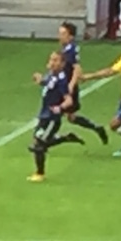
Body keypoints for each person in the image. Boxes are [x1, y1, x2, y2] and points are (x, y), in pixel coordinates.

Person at [27, 51, 86, 182]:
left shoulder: (62, 80)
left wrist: (59, 107)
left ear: (62, 64)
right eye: (51, 60)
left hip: (52, 119)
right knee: (40, 142)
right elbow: (48, 83)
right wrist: (40, 80)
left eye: (56, 60)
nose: (52, 63)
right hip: (43, 116)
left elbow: (68, 100)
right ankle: (66, 138)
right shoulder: (52, 76)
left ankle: (40, 174)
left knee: (38, 144)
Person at [57, 22, 109, 143]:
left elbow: (77, 68)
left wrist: (70, 85)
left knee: (54, 112)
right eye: (60, 33)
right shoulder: (68, 48)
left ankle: (47, 139)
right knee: (71, 117)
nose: (60, 36)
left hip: (67, 88)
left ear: (71, 36)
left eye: (63, 34)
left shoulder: (70, 50)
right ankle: (97, 128)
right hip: (65, 86)